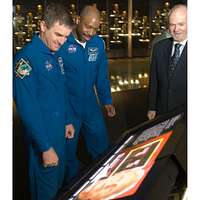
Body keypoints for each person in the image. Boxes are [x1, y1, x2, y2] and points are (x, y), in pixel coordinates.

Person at [13, 3, 75, 200]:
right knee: (45, 192)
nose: (63, 41)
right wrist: (45, 147)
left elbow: (61, 91)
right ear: (42, 26)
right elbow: (27, 108)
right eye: (58, 35)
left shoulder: (56, 54)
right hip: (43, 141)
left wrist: (66, 120)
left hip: (60, 136)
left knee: (59, 187)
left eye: (66, 36)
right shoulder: (25, 60)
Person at [57, 5, 116, 181]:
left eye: (95, 28)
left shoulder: (98, 43)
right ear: (77, 20)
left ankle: (104, 180)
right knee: (67, 151)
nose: (91, 32)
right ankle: (73, 184)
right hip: (68, 107)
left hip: (90, 104)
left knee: (102, 145)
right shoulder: (62, 42)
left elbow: (101, 75)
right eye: (87, 26)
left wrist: (106, 100)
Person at [147, 4, 187, 120]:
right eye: (172, 25)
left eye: (180, 24)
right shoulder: (159, 47)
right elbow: (154, 81)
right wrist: (151, 107)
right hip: (161, 112)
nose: (176, 29)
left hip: (186, 115)